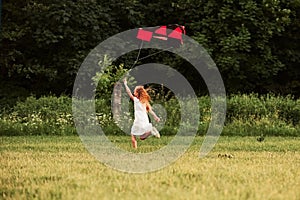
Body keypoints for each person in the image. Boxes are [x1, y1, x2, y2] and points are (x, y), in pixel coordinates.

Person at [123, 78, 161, 148]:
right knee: (142, 137)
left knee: (133, 135)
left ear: (138, 93)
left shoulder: (136, 100)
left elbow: (128, 93)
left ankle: (135, 149)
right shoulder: (145, 102)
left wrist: (125, 84)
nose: (133, 93)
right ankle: (150, 131)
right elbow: (150, 111)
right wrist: (156, 117)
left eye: (135, 91)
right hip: (145, 120)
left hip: (138, 120)